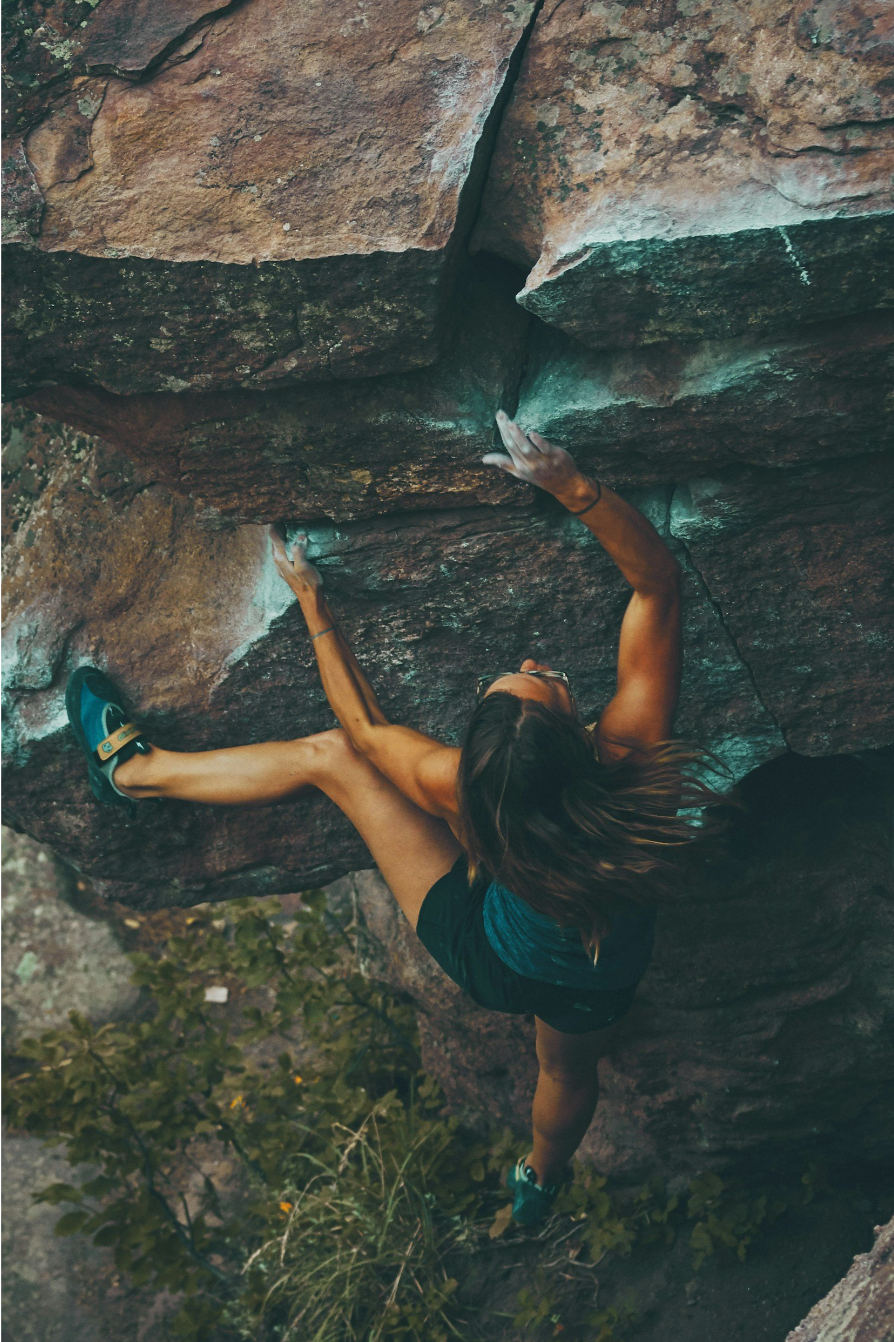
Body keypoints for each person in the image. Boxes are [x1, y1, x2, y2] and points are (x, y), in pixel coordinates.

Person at [67, 412, 713, 1226]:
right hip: (587, 971)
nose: (529, 664)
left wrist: (311, 601)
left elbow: (364, 735)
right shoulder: (633, 765)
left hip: (489, 952)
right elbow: (657, 583)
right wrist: (571, 485)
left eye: (527, 679)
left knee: (333, 758)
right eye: (535, 679)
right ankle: (539, 1184)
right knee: (568, 1074)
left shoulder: (461, 790)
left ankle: (135, 773)